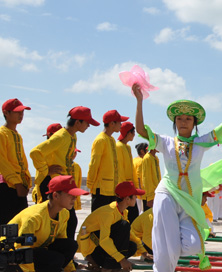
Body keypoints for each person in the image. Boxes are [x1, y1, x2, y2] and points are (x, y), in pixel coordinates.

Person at [133, 82, 222, 272]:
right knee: (164, 244)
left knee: (192, 244)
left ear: (195, 123)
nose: (184, 122)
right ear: (174, 122)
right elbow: (141, 130)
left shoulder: (201, 142)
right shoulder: (166, 142)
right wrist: (139, 101)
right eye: (179, 118)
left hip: (190, 200)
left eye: (188, 119)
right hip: (167, 193)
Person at [3, 175, 88, 272]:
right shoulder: (34, 217)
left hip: (34, 251)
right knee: (55, 259)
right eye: (70, 195)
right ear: (55, 196)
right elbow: (22, 249)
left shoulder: (63, 213)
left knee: (70, 245)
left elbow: (63, 243)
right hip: (11, 254)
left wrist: (72, 271)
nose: (74, 199)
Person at [30, 107, 99, 240]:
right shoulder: (61, 136)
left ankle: (65, 256)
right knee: (57, 221)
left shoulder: (72, 136)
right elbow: (35, 152)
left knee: (69, 221)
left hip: (63, 186)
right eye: (86, 122)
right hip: (52, 185)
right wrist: (46, 170)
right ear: (77, 122)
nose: (88, 126)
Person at [78, 181, 144, 272]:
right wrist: (121, 259)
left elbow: (129, 234)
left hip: (101, 250)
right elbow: (104, 240)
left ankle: (112, 264)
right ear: (127, 199)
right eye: (134, 196)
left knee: (132, 246)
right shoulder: (108, 213)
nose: (136, 198)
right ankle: (109, 268)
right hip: (93, 252)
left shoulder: (123, 212)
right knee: (123, 226)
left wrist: (143, 251)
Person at [88, 110, 129, 212]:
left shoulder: (111, 140)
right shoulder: (101, 140)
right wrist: (90, 184)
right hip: (101, 190)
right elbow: (94, 163)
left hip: (111, 190)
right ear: (112, 124)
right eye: (119, 122)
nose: (121, 125)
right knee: (98, 222)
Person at [0, 98, 32, 225]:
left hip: (18, 186)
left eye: (22, 112)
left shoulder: (17, 135)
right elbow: (2, 162)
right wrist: (17, 183)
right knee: (7, 227)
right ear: (6, 113)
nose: (21, 115)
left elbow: (22, 162)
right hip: (7, 186)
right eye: (17, 112)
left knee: (19, 226)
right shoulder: (2, 134)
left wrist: (25, 182)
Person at [116, 121, 138, 222]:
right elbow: (120, 168)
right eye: (133, 133)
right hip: (124, 189)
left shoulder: (127, 147)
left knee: (134, 215)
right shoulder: (119, 147)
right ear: (129, 133)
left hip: (130, 186)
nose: (134, 135)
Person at [141, 145, 161, 209]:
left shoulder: (156, 158)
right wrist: (150, 196)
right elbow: (146, 178)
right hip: (150, 193)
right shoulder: (147, 158)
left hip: (157, 191)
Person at [133, 143, 148, 214]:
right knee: (142, 212)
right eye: (147, 150)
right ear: (142, 151)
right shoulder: (142, 161)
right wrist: (140, 191)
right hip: (141, 193)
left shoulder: (134, 160)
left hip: (134, 191)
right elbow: (139, 177)